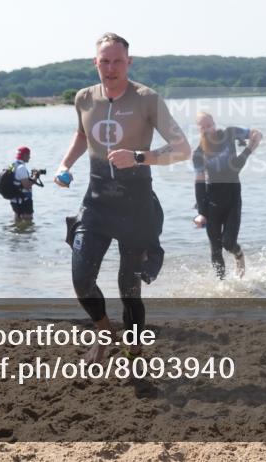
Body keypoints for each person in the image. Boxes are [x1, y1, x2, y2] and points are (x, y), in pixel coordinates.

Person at [54, 33, 190, 362]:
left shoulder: (147, 99)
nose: (111, 67)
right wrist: (64, 164)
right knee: (81, 278)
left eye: (118, 61)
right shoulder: (84, 98)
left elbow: (183, 149)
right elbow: (82, 133)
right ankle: (103, 333)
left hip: (136, 204)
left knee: (128, 288)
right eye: (105, 61)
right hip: (97, 201)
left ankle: (135, 347)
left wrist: (139, 157)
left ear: (129, 62)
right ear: (95, 62)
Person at [192, 112, 262, 279]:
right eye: (203, 127)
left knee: (228, 243)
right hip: (212, 201)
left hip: (232, 197)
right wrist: (201, 212)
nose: (207, 129)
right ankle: (221, 286)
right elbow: (199, 184)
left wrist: (251, 143)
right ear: (199, 129)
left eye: (209, 125)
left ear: (214, 123)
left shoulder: (230, 133)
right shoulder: (198, 153)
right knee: (215, 249)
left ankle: (239, 256)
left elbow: (256, 134)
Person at [9, 146, 40, 220]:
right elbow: (27, 186)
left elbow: (16, 181)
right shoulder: (21, 168)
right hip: (24, 199)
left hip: (14, 199)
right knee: (28, 221)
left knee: (17, 219)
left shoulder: (12, 165)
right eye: (29, 155)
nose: (30, 157)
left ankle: (17, 231)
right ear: (25, 155)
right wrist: (35, 176)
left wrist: (31, 177)